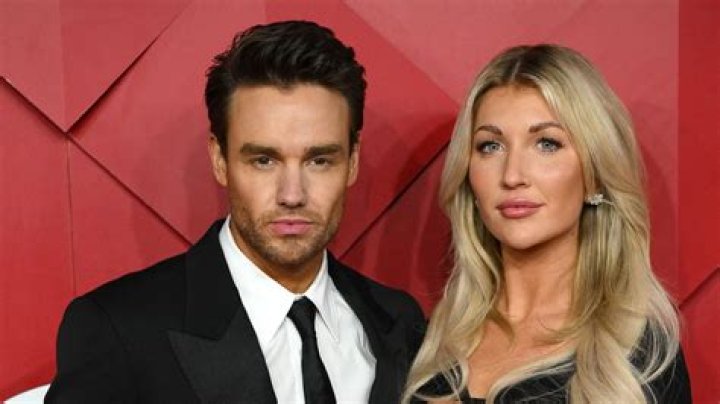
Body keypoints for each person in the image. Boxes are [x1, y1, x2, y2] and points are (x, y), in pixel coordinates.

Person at [46, 20, 425, 404]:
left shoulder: (399, 321)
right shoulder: (119, 330)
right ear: (220, 159)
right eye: (263, 160)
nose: (292, 195)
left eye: (319, 161)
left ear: (353, 161)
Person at [402, 45, 691, 403]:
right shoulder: (424, 341)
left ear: (594, 174)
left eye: (547, 144)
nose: (512, 176)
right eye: (490, 146)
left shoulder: (640, 358)